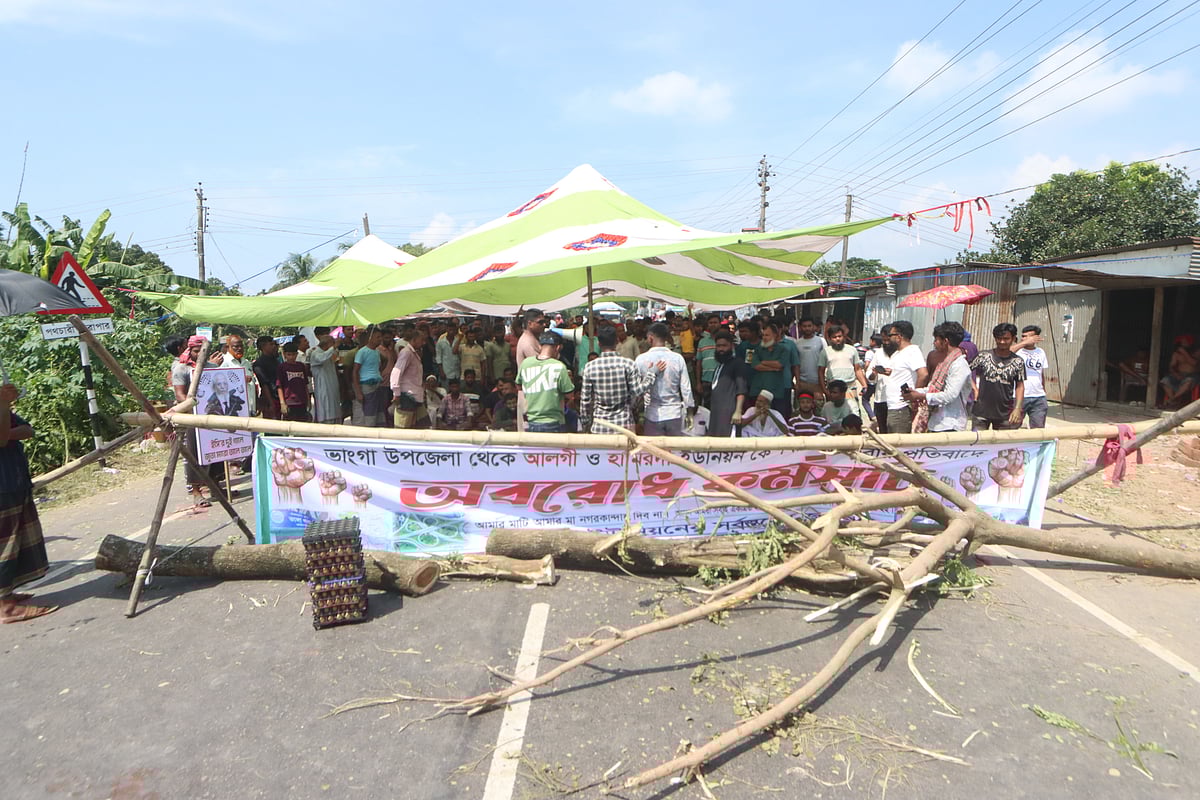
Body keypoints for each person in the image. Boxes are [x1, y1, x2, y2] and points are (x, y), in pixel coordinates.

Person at [0, 383, 56, 623]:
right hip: (3, 484)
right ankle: (6, 607)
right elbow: (2, 439)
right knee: (5, 546)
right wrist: (4, 404)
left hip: (13, 478)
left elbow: (27, 430)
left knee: (17, 539)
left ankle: (6, 595)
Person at [579, 325, 656, 434]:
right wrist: (651, 375)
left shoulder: (590, 367)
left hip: (600, 426)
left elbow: (585, 400)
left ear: (599, 343)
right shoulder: (628, 364)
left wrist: (586, 423)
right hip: (624, 425)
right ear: (616, 341)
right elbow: (637, 391)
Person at [904, 321, 972, 433]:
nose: (934, 343)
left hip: (951, 423)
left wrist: (922, 396)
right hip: (936, 422)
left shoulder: (959, 365)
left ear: (945, 341)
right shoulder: (944, 363)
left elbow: (949, 396)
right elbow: (933, 387)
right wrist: (915, 392)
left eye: (936, 340)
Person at [635, 322, 694, 436]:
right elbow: (686, 389)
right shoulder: (677, 358)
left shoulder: (641, 360)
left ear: (650, 338)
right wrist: (689, 412)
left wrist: (636, 410)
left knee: (654, 451)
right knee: (673, 451)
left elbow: (637, 391)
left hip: (652, 414)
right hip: (674, 413)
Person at [970, 322, 1026, 430]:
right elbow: (965, 371)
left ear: (1013, 338)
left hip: (1005, 414)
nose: (1002, 342)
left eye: (1006, 338)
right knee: (978, 445)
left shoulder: (1018, 362)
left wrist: (1017, 408)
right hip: (981, 412)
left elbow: (1020, 386)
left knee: (1002, 446)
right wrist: (974, 389)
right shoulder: (983, 356)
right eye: (999, 338)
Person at [517, 330, 575, 433]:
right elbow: (569, 395)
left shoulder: (525, 364)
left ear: (540, 346)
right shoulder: (559, 366)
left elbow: (519, 386)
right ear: (558, 348)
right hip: (554, 421)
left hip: (531, 421)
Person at [879, 321, 928, 434]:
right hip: (892, 405)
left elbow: (923, 374)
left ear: (899, 336)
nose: (888, 338)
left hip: (901, 406)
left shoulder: (912, 351)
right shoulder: (898, 353)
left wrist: (914, 395)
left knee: (899, 444)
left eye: (891, 335)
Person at [749, 322, 799, 420]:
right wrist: (773, 368)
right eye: (763, 335)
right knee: (760, 417)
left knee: (779, 416)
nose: (764, 337)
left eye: (767, 335)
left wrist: (763, 362)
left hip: (777, 389)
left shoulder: (783, 349)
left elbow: (780, 364)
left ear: (775, 335)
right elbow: (755, 365)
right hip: (760, 388)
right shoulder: (759, 349)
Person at [706, 330, 748, 438]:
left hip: (730, 413)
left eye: (724, 346)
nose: (721, 349)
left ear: (731, 346)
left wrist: (738, 411)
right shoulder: (719, 366)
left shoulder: (737, 363)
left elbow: (741, 389)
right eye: (718, 346)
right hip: (717, 413)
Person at [824, 327, 868, 419]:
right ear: (829, 338)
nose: (837, 339)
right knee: (833, 414)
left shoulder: (852, 350)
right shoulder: (825, 351)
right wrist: (825, 389)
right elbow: (820, 371)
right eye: (834, 337)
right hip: (833, 388)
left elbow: (857, 369)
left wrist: (864, 385)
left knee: (853, 413)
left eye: (839, 336)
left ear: (844, 336)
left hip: (850, 387)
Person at [515, 309, 548, 432]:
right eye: (540, 322)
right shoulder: (528, 342)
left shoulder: (532, 339)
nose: (544, 325)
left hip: (533, 395)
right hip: (530, 395)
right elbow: (540, 367)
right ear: (530, 323)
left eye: (545, 322)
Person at [390, 330, 429, 429]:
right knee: (402, 429)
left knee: (422, 426)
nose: (423, 343)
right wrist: (396, 393)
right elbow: (396, 372)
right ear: (414, 340)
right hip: (406, 395)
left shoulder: (413, 353)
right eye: (421, 340)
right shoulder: (406, 353)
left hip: (415, 395)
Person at [352, 327, 387, 427]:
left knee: (378, 413)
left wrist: (378, 374)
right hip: (366, 386)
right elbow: (355, 372)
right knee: (369, 413)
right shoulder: (362, 352)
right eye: (378, 337)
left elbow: (383, 362)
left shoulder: (376, 352)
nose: (380, 339)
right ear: (370, 338)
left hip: (377, 384)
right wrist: (358, 391)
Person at [308, 327, 342, 424]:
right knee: (326, 407)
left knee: (334, 408)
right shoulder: (315, 353)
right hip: (323, 387)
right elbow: (322, 358)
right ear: (327, 344)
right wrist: (333, 347)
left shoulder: (328, 353)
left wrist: (334, 349)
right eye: (332, 344)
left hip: (332, 386)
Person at [1017, 325, 1050, 428]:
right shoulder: (1017, 351)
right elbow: (1006, 353)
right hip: (1020, 397)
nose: (1024, 338)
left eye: (1028, 336)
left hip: (1038, 397)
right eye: (1023, 336)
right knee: (1012, 426)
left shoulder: (1041, 352)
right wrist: (1024, 343)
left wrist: (1043, 391)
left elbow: (1041, 373)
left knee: (1038, 428)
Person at [220, 334, 257, 416]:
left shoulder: (246, 363)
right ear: (227, 347)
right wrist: (240, 380)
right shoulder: (223, 362)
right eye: (236, 346)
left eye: (241, 346)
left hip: (250, 407)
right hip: (234, 408)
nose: (239, 349)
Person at [1161, 334, 1199, 409]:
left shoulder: (1197, 352)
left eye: (1186, 342)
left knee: (1188, 381)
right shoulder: (1176, 354)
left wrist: (1185, 353)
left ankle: (1172, 400)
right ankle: (1174, 401)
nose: (1184, 343)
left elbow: (1194, 363)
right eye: (1182, 342)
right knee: (1165, 380)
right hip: (1179, 375)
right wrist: (1175, 374)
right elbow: (1171, 366)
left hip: (1193, 375)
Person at [794, 318, 827, 401]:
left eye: (809, 326)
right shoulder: (797, 343)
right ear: (800, 327)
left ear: (813, 327)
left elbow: (826, 361)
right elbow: (796, 364)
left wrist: (823, 382)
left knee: (818, 408)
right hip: (802, 382)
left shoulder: (821, 341)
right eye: (804, 326)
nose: (807, 328)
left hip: (817, 382)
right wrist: (797, 382)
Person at [276, 342, 311, 422]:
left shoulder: (301, 366)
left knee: (302, 424)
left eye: (294, 354)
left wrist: (308, 399)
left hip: (302, 401)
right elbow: (279, 386)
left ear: (297, 354)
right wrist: (282, 403)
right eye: (289, 354)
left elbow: (305, 384)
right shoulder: (282, 367)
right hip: (289, 402)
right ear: (284, 354)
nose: (291, 357)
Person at [252, 336, 280, 420]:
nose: (274, 346)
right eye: (271, 344)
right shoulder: (259, 364)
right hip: (270, 398)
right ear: (263, 346)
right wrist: (271, 403)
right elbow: (264, 384)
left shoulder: (276, 360)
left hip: (280, 396)